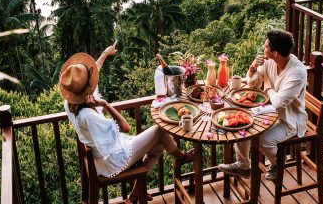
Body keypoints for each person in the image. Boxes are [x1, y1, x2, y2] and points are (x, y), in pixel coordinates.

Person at [61, 42, 193, 203]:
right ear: (87, 87)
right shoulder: (88, 115)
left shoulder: (70, 103)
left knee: (158, 146)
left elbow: (94, 71)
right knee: (160, 131)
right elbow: (125, 127)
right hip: (113, 157)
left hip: (101, 154)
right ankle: (181, 157)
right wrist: (105, 105)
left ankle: (135, 194)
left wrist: (105, 53)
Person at [217, 29, 308, 181]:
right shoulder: (270, 62)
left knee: (262, 140)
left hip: (290, 120)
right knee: (242, 124)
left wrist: (269, 89)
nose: (263, 49)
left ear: (275, 53)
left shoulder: (297, 73)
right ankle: (243, 166)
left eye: (266, 47)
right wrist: (252, 68)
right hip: (270, 112)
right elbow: (253, 83)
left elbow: (279, 102)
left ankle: (277, 163)